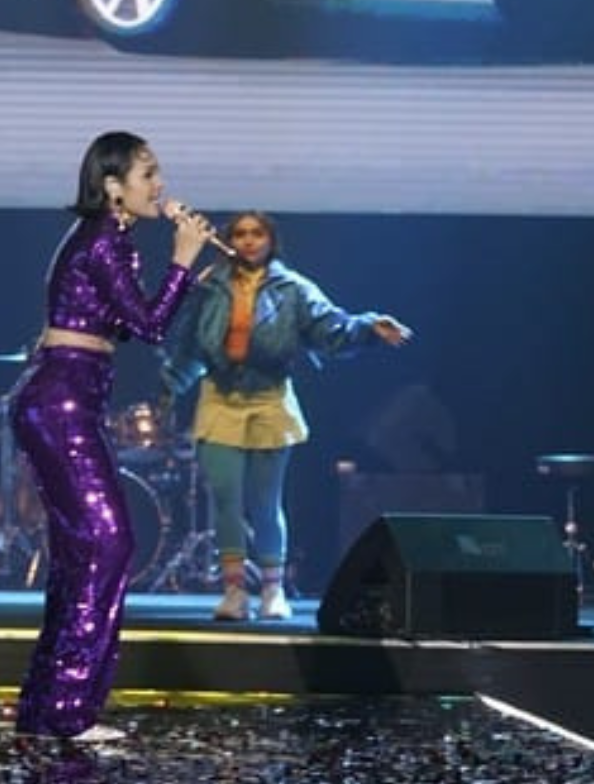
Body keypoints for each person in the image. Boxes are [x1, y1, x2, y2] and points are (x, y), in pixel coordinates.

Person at [11, 131, 213, 741]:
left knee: (82, 554)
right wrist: (182, 261)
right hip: (62, 406)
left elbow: (121, 324)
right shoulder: (103, 239)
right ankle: (68, 710)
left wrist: (184, 281)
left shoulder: (107, 240)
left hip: (67, 404)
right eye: (148, 174)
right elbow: (148, 326)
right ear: (112, 186)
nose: (161, 185)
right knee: (108, 546)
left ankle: (47, 707)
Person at [162, 211, 413, 622]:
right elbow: (187, 341)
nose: (248, 241)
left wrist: (368, 327)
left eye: (256, 233)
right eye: (240, 234)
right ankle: (233, 591)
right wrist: (170, 384)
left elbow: (331, 327)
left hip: (269, 400)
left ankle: (272, 589)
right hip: (219, 399)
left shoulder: (293, 288)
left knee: (265, 502)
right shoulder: (211, 284)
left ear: (271, 240)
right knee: (225, 496)